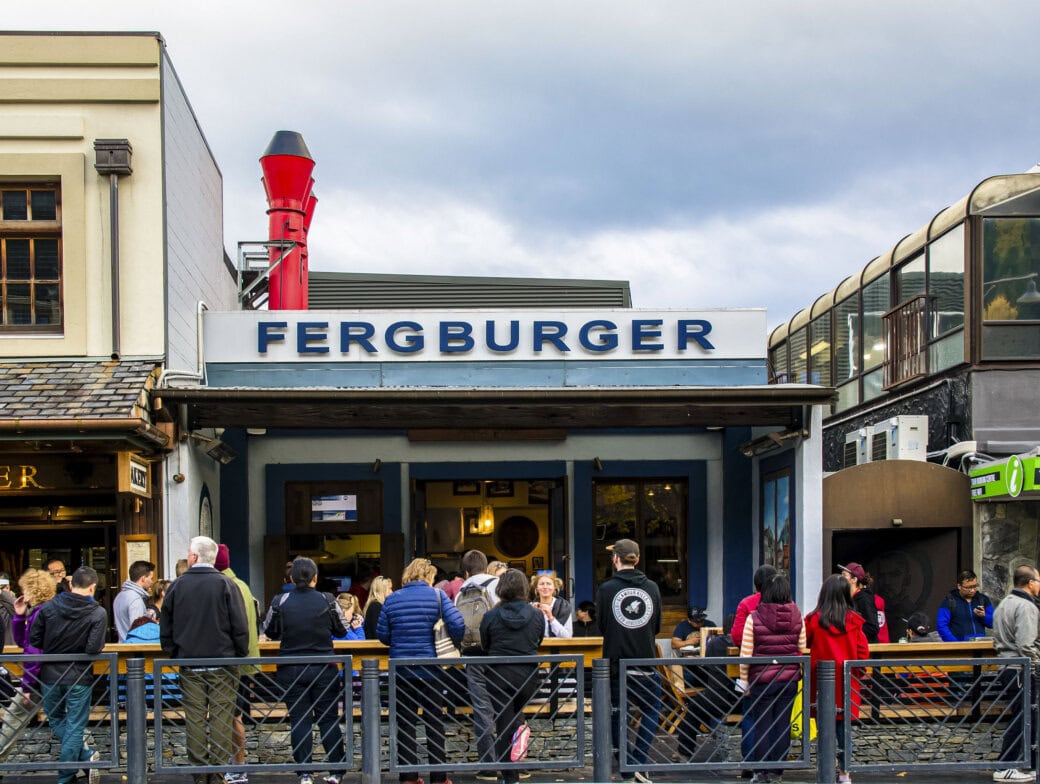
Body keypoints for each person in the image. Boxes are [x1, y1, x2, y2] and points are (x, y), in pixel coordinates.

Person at [160, 536, 250, 784]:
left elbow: (166, 625)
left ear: (194, 557)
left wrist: (173, 652)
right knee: (222, 719)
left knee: (195, 720)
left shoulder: (177, 586)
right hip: (223, 664)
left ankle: (200, 773)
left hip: (189, 663)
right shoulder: (226, 585)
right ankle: (218, 772)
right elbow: (240, 626)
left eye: (189, 553)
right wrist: (238, 654)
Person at [377, 557, 464, 784]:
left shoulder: (392, 599)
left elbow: (383, 635)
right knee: (434, 721)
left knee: (405, 723)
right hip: (431, 670)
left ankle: (409, 777)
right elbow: (458, 625)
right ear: (428, 576)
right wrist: (447, 640)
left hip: (401, 669)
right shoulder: (438, 596)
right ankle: (439, 777)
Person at [264, 557, 349, 784]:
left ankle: (305, 773)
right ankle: (336, 771)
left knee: (299, 719)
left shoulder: (280, 600)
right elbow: (342, 630)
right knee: (328, 719)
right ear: (315, 578)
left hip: (291, 668)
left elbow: (269, 630)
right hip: (323, 668)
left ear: (291, 578)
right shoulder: (327, 599)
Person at [30, 565, 107, 784]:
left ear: (71, 584)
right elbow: (93, 649)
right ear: (92, 587)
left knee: (55, 719)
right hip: (78, 675)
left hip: (50, 675)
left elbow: (35, 640)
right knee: (75, 725)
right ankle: (69, 773)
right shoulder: (98, 612)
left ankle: (72, 770)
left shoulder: (48, 607)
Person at [595, 538, 662, 784]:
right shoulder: (653, 588)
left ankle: (627, 766)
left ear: (616, 559)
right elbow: (656, 626)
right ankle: (639, 761)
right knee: (653, 709)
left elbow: (602, 626)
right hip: (645, 663)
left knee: (616, 714)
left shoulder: (605, 589)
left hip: (615, 664)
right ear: (637, 559)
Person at [738, 574, 805, 784]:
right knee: (782, 724)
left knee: (762, 725)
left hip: (762, 678)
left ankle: (761, 772)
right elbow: (802, 647)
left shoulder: (754, 617)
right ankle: (778, 771)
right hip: (789, 678)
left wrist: (743, 680)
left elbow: (746, 652)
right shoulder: (797, 615)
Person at [480, 569, 544, 784]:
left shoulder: (490, 616)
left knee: (504, 723)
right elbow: (539, 641)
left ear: (501, 588)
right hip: (528, 676)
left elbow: (485, 644)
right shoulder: (537, 615)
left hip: (498, 675)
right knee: (513, 719)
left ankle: (510, 775)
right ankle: (515, 759)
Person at [805, 575, 870, 784]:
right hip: (846, 683)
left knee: (824, 729)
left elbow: (805, 642)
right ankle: (844, 773)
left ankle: (824, 770)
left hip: (821, 683)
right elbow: (862, 654)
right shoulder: (855, 621)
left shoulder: (814, 620)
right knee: (844, 732)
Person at [0, 568, 57, 759]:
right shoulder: (45, 611)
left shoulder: (40, 614)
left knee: (12, 718)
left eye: (25, 589)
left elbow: (32, 650)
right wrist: (18, 616)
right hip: (53, 676)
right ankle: (86, 758)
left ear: (32, 590)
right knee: (63, 719)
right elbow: (24, 642)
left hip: (39, 678)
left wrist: (27, 685)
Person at [454, 550, 501, 782]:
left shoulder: (460, 592)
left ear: (466, 571)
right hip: (498, 655)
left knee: (482, 709)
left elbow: (455, 626)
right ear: (486, 566)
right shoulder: (498, 585)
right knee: (505, 706)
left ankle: (488, 763)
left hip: (472, 655)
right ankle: (510, 761)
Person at [216, 543, 261, 784]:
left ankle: (236, 766)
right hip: (243, 663)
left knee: (231, 717)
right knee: (235, 716)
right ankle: (237, 766)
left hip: (229, 664)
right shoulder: (242, 585)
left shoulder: (223, 586)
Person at [991, 565, 1040, 783]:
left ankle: (1022, 764)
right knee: (1022, 718)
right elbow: (1026, 644)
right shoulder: (1026, 607)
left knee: (1022, 716)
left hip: (1007, 666)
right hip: (1021, 669)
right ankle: (1006, 765)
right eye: (1038, 580)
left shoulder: (1004, 603)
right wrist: (1036, 665)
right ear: (1030, 583)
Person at [731, 564, 777, 768]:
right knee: (777, 715)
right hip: (783, 668)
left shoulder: (747, 603)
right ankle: (773, 765)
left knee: (751, 714)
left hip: (755, 667)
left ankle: (750, 763)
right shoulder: (787, 603)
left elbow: (737, 636)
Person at [937, 570, 994, 641]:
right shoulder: (949, 602)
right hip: (959, 646)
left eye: (975, 586)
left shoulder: (983, 599)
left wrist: (984, 616)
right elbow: (942, 626)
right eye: (968, 587)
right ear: (959, 586)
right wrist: (955, 645)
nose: (972, 590)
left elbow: (993, 624)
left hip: (980, 645)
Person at [112, 560, 156, 642]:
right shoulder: (135, 599)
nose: (152, 582)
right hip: (133, 649)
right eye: (151, 578)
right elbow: (138, 631)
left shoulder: (119, 596)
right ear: (143, 578)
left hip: (122, 646)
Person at [838, 563, 881, 644]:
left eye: (844, 575)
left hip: (867, 649)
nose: (840, 578)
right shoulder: (847, 599)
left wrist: (850, 629)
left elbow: (873, 627)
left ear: (854, 580)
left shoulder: (864, 599)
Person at [530, 570, 572, 638]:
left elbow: (567, 637)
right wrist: (531, 615)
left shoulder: (564, 607)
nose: (545, 587)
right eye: (542, 584)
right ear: (537, 588)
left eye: (548, 584)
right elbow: (526, 635)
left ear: (554, 587)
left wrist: (551, 618)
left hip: (557, 647)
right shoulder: (530, 607)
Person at [0, 572, 13, 643]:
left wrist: (6, 595)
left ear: (8, 587)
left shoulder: (15, 603)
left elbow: (21, 614)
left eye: (2, 587)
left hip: (10, 648)